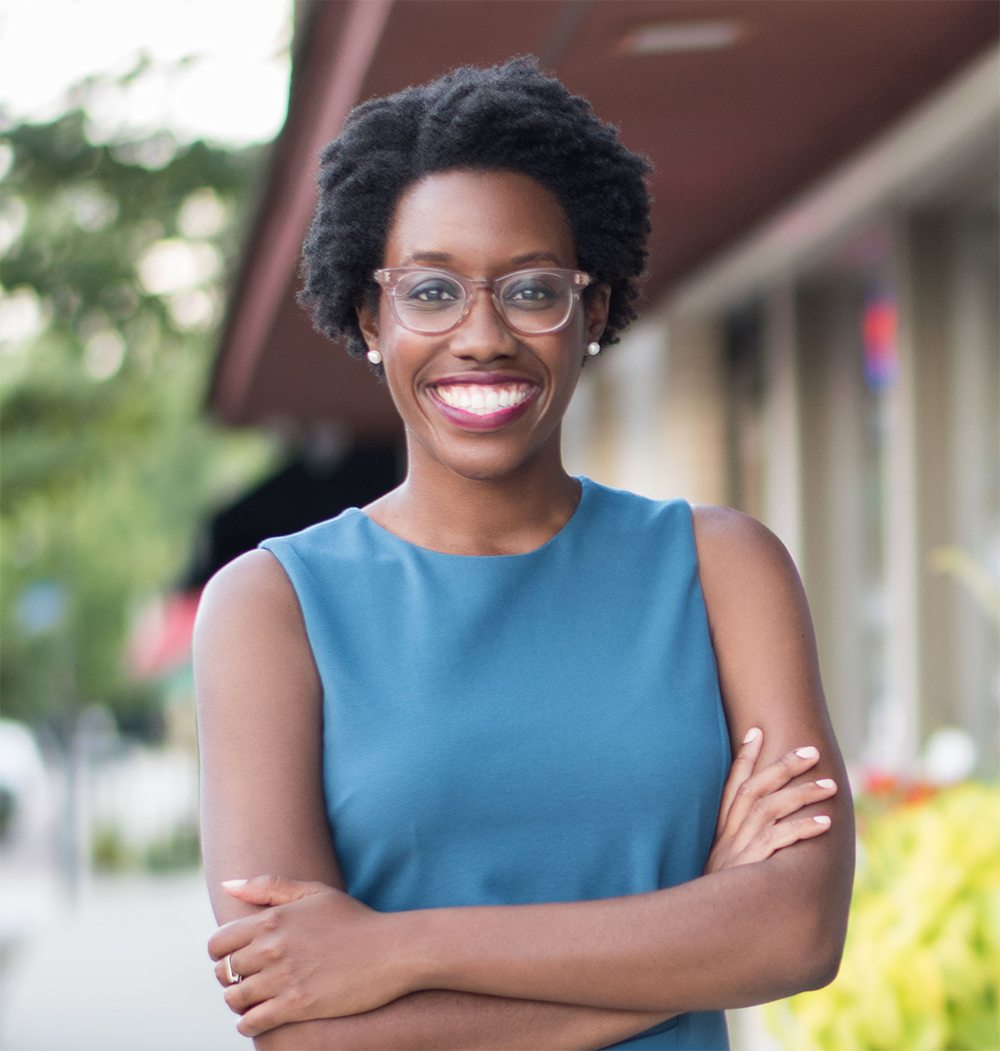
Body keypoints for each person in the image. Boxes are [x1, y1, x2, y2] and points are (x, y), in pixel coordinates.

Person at [195, 58, 854, 1051]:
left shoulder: (722, 569)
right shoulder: (270, 605)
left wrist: (395, 950)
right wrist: (704, 938)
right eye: (430, 290)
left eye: (533, 288)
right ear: (372, 319)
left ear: (591, 313)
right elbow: (307, 1032)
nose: (482, 335)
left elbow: (799, 928)